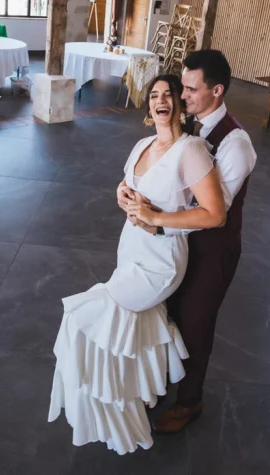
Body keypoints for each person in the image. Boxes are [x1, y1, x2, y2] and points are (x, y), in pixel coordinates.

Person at [48, 74, 227, 455]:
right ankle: (140, 397)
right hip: (131, 248)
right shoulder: (143, 144)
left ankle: (110, 412)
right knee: (131, 327)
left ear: (179, 103)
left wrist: (156, 218)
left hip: (160, 261)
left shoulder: (190, 149)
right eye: (154, 95)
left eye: (168, 94)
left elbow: (214, 215)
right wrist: (123, 193)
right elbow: (129, 187)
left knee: (86, 318)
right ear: (149, 107)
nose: (160, 100)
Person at [120, 49, 257, 434]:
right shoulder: (190, 125)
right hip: (171, 246)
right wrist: (132, 187)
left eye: (191, 90)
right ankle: (157, 382)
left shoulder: (236, 143)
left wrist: (157, 222)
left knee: (195, 326)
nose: (182, 96)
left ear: (217, 90)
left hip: (212, 250)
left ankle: (189, 401)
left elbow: (212, 211)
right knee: (164, 317)